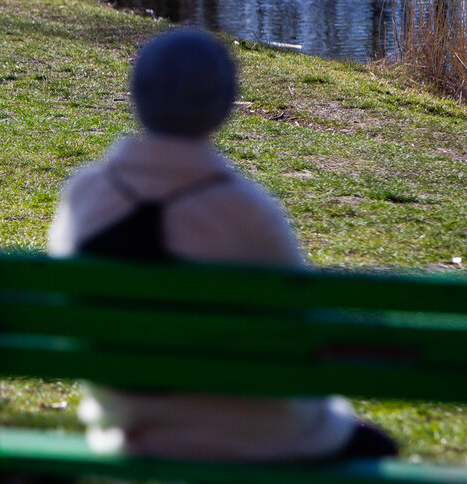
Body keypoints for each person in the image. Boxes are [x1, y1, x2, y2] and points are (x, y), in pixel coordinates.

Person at [47, 29, 397, 462]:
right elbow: (305, 326)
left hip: (133, 428)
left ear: (136, 95)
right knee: (377, 448)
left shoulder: (84, 194)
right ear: (224, 104)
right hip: (257, 434)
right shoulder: (246, 210)